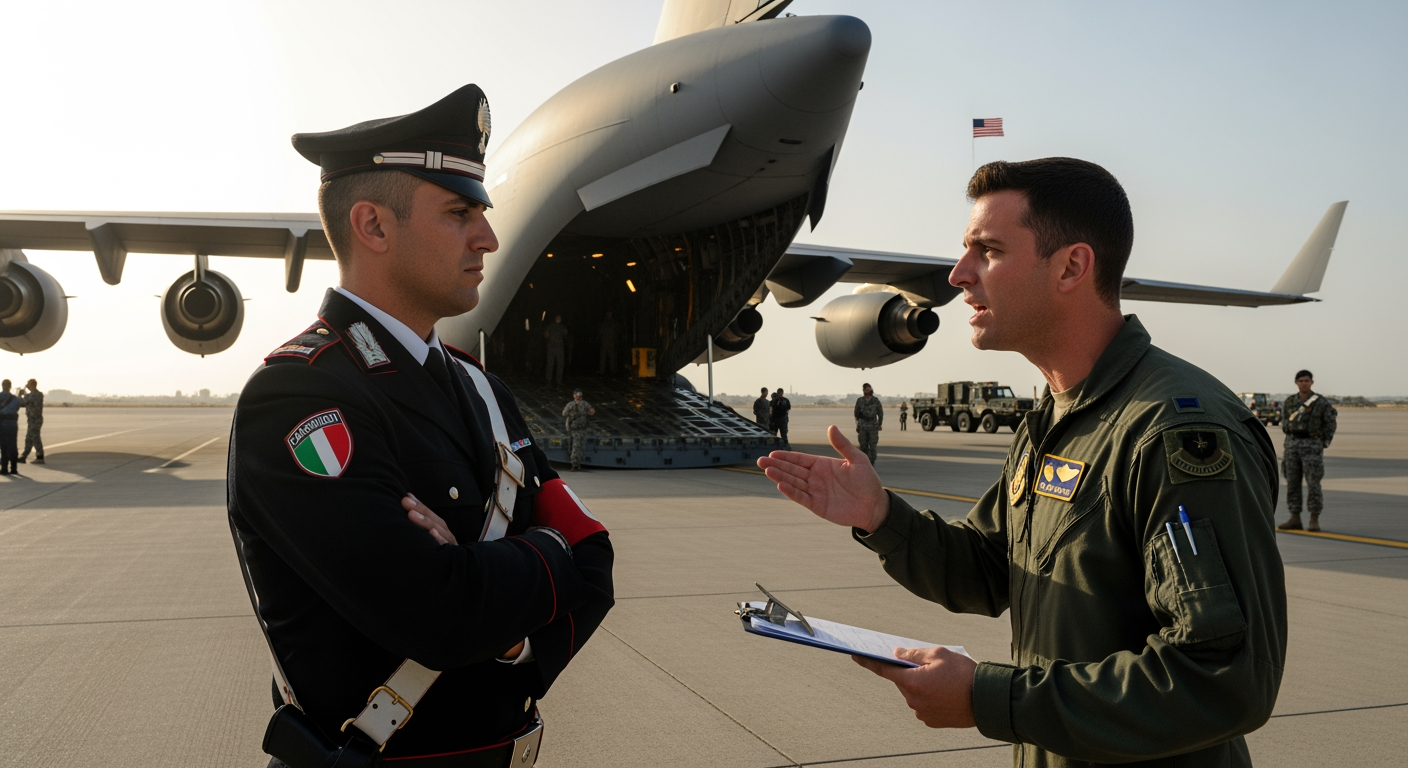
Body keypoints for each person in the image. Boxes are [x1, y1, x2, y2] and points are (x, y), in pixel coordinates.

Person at [758, 158, 1286, 767]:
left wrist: (988, 697)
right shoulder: (1055, 419)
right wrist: (881, 517)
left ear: (1071, 267)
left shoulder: (1172, 431)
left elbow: (1222, 681)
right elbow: (988, 572)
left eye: (988, 251)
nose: (959, 275)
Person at [227, 84, 614, 767]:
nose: (488, 237)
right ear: (373, 227)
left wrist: (508, 632)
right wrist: (544, 555)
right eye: (460, 213)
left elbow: (597, 566)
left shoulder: (480, 385)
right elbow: (439, 617)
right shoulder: (300, 395)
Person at [1277, 369, 1337, 532]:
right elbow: (1284, 423)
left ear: (1312, 382)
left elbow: (1330, 422)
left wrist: (1323, 442)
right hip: (1292, 446)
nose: (1304, 383)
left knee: (1313, 483)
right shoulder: (1290, 402)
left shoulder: (1320, 402)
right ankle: (1295, 517)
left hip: (1312, 446)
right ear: (1296, 383)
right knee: (1292, 483)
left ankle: (1314, 518)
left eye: (1307, 380)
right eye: (1301, 380)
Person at [562, 389, 596, 472]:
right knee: (575, 447)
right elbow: (564, 413)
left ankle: (577, 464)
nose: (579, 398)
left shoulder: (585, 404)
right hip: (574, 429)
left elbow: (591, 411)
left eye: (580, 396)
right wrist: (570, 413)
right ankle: (574, 464)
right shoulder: (570, 405)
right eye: (577, 396)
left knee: (580, 447)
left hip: (583, 429)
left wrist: (591, 411)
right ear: (574, 396)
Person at [853, 383, 883, 464]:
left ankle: (872, 462)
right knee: (863, 446)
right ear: (864, 391)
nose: (868, 391)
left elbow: (880, 413)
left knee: (873, 446)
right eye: (866, 390)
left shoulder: (876, 401)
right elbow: (856, 414)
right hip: (863, 426)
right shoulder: (860, 401)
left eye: (869, 389)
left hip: (873, 426)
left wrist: (879, 424)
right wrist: (858, 424)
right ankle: (864, 462)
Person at [17, 378, 43, 464]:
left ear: (32, 385)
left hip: (34, 420)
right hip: (34, 419)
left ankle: (40, 456)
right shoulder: (38, 394)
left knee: (35, 437)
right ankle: (23, 456)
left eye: (28, 384)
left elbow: (21, 403)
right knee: (29, 438)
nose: (27, 386)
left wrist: (20, 394)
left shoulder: (32, 395)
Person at [544, 315, 569, 386]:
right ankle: (548, 380)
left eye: (560, 318)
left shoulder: (562, 327)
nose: (558, 319)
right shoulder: (550, 326)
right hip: (551, 347)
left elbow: (566, 334)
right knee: (550, 364)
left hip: (559, 348)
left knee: (560, 364)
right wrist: (546, 335)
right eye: (557, 318)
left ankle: (559, 381)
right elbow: (546, 335)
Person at [0, 380, 18, 475]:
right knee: (13, 446)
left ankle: (4, 468)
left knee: (4, 446)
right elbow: (18, 406)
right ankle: (14, 468)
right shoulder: (15, 398)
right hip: (13, 424)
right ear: (10, 387)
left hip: (2, 423)